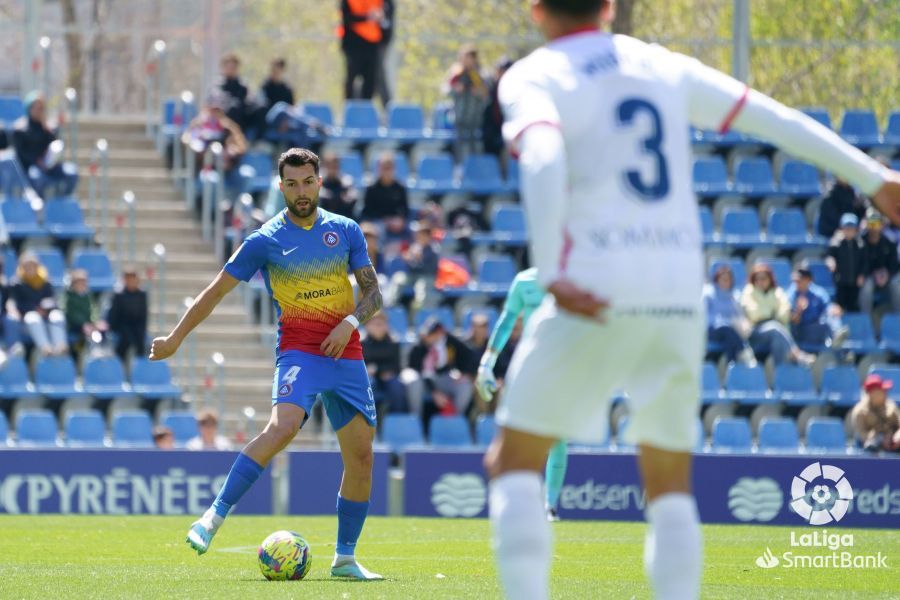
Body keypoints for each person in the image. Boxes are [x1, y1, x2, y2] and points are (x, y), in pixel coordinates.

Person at [484, 2, 900, 600]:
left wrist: (550, 269)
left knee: (513, 463)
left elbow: (544, 156)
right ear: (607, 6)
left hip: (595, 284)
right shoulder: (661, 65)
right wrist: (872, 177)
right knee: (670, 483)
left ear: (534, 10)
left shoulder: (534, 74)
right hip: (676, 292)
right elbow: (770, 116)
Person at [149, 147, 385, 580]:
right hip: (299, 352)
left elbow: (374, 294)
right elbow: (215, 291)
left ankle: (346, 559)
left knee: (362, 457)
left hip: (346, 351)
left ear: (319, 182)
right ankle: (211, 519)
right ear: (281, 187)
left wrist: (349, 323)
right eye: (291, 184)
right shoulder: (264, 239)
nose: (301, 191)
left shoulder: (345, 230)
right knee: (281, 428)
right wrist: (175, 339)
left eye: (307, 182)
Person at [476, 267, 569, 522]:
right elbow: (507, 320)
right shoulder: (524, 281)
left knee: (558, 438)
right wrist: (487, 361)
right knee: (516, 432)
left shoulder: (575, 277)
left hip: (563, 364)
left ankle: (549, 506)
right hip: (529, 364)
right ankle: (516, 503)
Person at [740, 264, 813, 366]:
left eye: (764, 278)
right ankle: (796, 355)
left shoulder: (777, 292)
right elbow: (755, 315)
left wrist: (771, 315)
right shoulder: (748, 292)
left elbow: (785, 314)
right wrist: (773, 314)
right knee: (775, 327)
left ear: (770, 279)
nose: (760, 281)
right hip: (755, 333)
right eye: (757, 279)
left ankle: (782, 371)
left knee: (777, 338)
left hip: (777, 330)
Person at [407, 317, 475, 424]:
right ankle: (416, 422)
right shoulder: (418, 347)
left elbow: (469, 355)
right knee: (415, 383)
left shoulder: (450, 341)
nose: (429, 336)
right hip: (424, 382)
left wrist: (464, 373)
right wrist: (435, 392)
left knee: (465, 385)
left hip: (444, 378)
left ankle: (454, 420)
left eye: (434, 333)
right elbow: (419, 372)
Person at [12, 91, 78, 197]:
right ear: (29, 109)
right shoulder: (20, 129)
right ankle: (41, 204)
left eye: (41, 108)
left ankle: (61, 200)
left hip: (49, 165)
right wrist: (37, 161)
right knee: (37, 177)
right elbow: (21, 154)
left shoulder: (48, 128)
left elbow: (54, 146)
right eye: (36, 108)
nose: (39, 111)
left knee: (71, 173)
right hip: (32, 166)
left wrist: (49, 129)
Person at [6, 254, 68, 357]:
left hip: (46, 316)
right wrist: (35, 309)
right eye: (27, 266)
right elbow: (16, 305)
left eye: (33, 266)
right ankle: (45, 349)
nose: (30, 268)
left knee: (57, 316)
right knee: (33, 317)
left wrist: (46, 309)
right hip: (26, 321)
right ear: (22, 267)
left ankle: (60, 347)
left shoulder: (45, 282)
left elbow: (53, 301)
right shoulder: (16, 284)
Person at [360, 310, 407, 423]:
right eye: (375, 324)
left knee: (396, 386)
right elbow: (358, 365)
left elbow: (398, 366)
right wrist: (369, 370)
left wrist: (379, 370)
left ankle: (396, 421)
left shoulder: (394, 343)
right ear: (368, 326)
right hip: (369, 378)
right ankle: (368, 420)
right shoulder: (361, 343)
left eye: (381, 324)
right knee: (369, 386)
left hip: (389, 376)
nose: (379, 327)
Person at [702, 264, 754, 364]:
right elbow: (704, 316)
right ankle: (743, 352)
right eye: (723, 279)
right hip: (711, 330)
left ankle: (733, 364)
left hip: (729, 332)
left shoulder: (735, 296)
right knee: (726, 328)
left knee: (729, 339)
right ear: (717, 280)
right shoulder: (708, 294)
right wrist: (722, 322)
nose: (726, 282)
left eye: (728, 279)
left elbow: (739, 317)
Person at [445, 45, 489, 158]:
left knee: (474, 146)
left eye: (468, 58)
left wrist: (478, 92)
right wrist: (456, 89)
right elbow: (447, 90)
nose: (465, 61)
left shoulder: (479, 74)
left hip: (475, 119)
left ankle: (474, 169)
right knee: (459, 146)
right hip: (459, 117)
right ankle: (459, 168)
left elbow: (487, 97)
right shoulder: (456, 73)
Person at [785, 265, 845, 350]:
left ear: (808, 280)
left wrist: (835, 310)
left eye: (800, 280)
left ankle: (838, 335)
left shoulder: (818, 292)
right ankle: (835, 343)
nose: (797, 283)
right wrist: (799, 311)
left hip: (816, 328)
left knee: (831, 312)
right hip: (799, 331)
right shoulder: (791, 294)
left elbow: (828, 307)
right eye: (795, 281)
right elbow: (792, 320)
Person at [340, 0, 385, 100]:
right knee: (351, 77)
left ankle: (367, 106)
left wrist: (381, 16)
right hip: (353, 42)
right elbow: (346, 18)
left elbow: (387, 11)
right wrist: (367, 17)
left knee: (371, 79)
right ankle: (350, 105)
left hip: (373, 43)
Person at [859, 209, 900, 313]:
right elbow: (859, 264)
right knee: (867, 286)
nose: (874, 227)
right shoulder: (860, 242)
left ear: (882, 225)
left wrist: (887, 274)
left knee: (896, 284)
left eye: (876, 223)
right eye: (871, 223)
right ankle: (865, 318)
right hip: (869, 276)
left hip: (887, 277)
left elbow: (894, 265)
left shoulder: (889, 242)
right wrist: (873, 274)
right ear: (866, 224)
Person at [826, 212, 866, 312]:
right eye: (846, 228)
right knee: (840, 305)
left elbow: (864, 262)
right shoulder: (836, 243)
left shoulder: (860, 244)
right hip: (841, 281)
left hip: (854, 282)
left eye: (851, 229)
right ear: (842, 229)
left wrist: (862, 274)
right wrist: (831, 262)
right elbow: (830, 256)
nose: (849, 231)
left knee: (853, 305)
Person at [107, 267, 148, 363]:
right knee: (125, 339)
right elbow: (114, 316)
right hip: (122, 326)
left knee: (140, 339)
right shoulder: (119, 295)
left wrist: (142, 330)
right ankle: (120, 363)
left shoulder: (142, 295)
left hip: (136, 326)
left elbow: (143, 316)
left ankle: (139, 365)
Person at [63, 269, 107, 358]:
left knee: (101, 330)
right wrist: (84, 323)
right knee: (82, 337)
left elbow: (94, 310)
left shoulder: (88, 296)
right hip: (75, 326)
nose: (82, 285)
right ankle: (80, 354)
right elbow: (71, 314)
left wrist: (95, 322)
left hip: (89, 325)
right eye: (79, 282)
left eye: (84, 282)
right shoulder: (68, 297)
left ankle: (99, 350)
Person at [850, 375, 899, 453]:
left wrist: (896, 437)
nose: (885, 393)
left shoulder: (890, 406)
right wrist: (881, 439)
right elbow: (862, 435)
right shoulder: (860, 411)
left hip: (892, 444)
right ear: (872, 393)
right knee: (871, 445)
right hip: (872, 446)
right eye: (882, 390)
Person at [360, 152, 409, 224]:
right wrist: (384, 220)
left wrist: (400, 219)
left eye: (389, 168)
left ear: (394, 168)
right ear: (378, 168)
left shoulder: (400, 188)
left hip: (396, 223)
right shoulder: (371, 188)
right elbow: (367, 212)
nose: (387, 171)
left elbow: (405, 210)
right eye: (384, 168)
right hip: (377, 223)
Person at [318, 151, 358, 219]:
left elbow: (352, 199)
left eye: (335, 166)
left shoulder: (347, 181)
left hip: (344, 218)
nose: (333, 169)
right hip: (324, 219)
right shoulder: (319, 181)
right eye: (330, 166)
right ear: (324, 166)